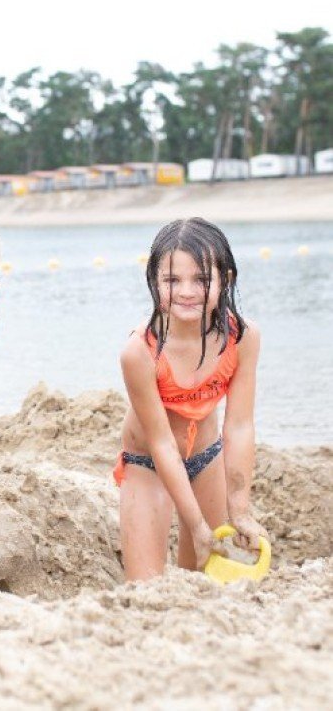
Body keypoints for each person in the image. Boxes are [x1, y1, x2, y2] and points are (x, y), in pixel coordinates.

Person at [114, 217, 267, 580]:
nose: (187, 291)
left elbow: (240, 425)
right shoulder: (139, 353)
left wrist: (240, 509)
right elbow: (162, 442)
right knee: (146, 588)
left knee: (203, 579)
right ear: (154, 282)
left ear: (225, 280)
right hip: (148, 462)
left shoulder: (242, 338)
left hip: (206, 459)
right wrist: (196, 523)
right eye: (172, 280)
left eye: (201, 279)